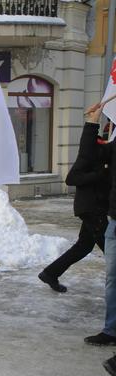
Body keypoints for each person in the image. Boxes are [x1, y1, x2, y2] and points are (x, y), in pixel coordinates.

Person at [38, 118, 110, 292]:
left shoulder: (107, 154)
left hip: (96, 208)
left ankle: (50, 273)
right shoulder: (92, 152)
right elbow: (71, 179)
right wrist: (99, 174)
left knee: (84, 246)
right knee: (111, 247)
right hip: (91, 208)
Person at [83, 102, 116, 346]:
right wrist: (92, 124)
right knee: (112, 278)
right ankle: (111, 330)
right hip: (114, 219)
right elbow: (91, 156)